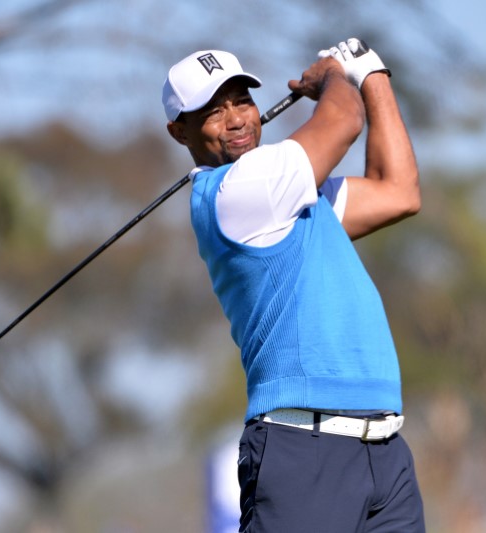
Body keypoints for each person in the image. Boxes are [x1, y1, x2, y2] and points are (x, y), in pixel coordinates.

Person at [162, 39, 424, 532]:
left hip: (385, 449)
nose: (237, 120)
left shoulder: (291, 191)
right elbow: (344, 121)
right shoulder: (240, 193)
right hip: (303, 449)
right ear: (180, 132)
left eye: (242, 101)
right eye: (214, 112)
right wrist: (331, 77)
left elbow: (399, 192)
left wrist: (372, 75)